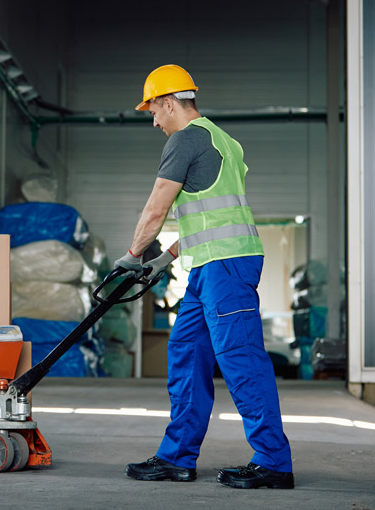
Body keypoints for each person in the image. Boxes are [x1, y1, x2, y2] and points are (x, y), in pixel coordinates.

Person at [115, 64, 294, 489]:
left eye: (154, 111)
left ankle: (273, 461)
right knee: (186, 355)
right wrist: (166, 259)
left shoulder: (186, 138)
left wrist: (132, 255)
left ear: (169, 102)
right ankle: (176, 457)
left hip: (226, 266)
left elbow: (157, 207)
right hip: (207, 264)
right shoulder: (223, 140)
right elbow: (210, 211)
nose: (155, 121)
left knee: (241, 360)